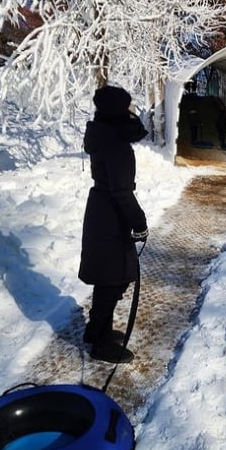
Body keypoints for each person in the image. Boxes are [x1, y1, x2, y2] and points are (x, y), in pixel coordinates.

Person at [78, 85, 148, 363]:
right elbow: (121, 190)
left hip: (102, 209)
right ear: (118, 111)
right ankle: (101, 344)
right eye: (126, 107)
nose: (130, 111)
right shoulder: (115, 142)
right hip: (111, 213)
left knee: (109, 277)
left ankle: (96, 330)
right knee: (113, 279)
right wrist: (139, 222)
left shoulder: (104, 134)